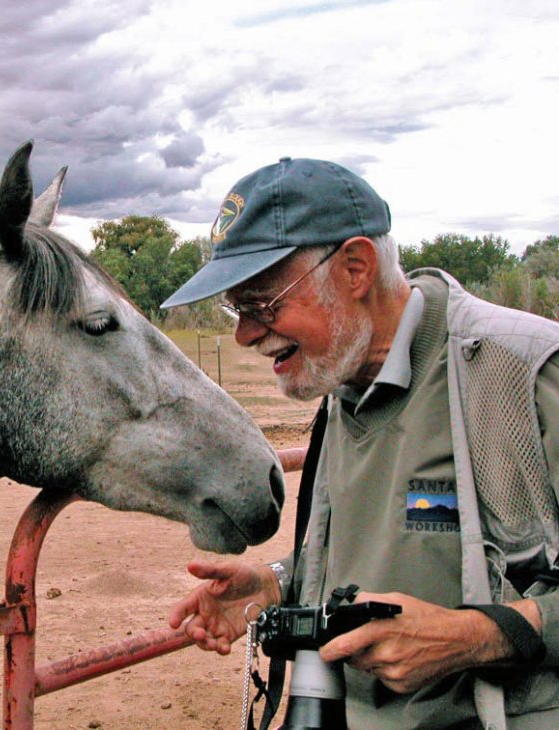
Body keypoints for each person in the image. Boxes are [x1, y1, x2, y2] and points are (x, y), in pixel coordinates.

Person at [162, 157, 559, 729]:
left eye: (263, 305)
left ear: (354, 268)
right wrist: (278, 582)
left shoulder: (523, 373)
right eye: (236, 309)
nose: (244, 335)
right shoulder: (342, 381)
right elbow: (402, 543)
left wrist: (475, 638)